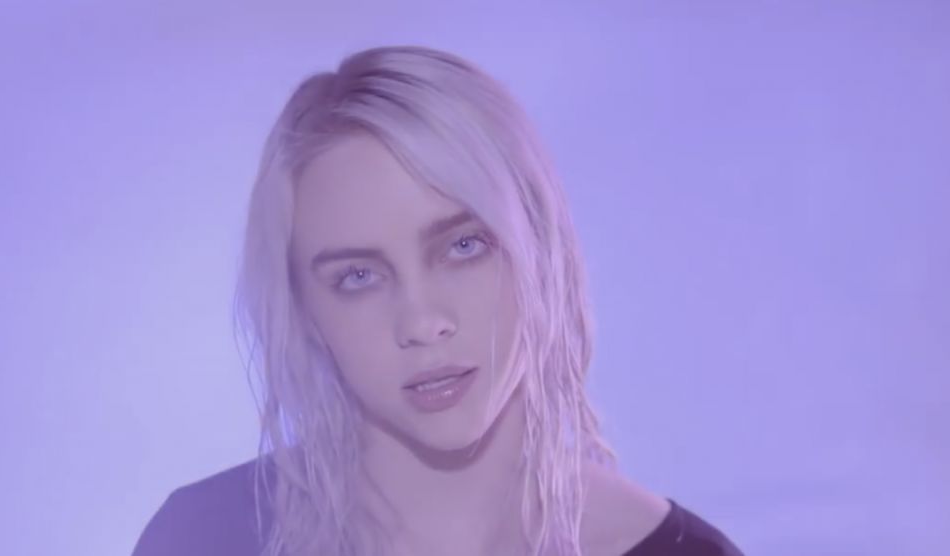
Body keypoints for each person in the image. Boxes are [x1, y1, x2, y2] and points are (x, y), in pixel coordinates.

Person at [132, 45, 744, 556]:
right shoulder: (202, 537)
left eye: (464, 246)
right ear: (305, 312)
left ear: (541, 247)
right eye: (358, 277)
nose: (423, 323)